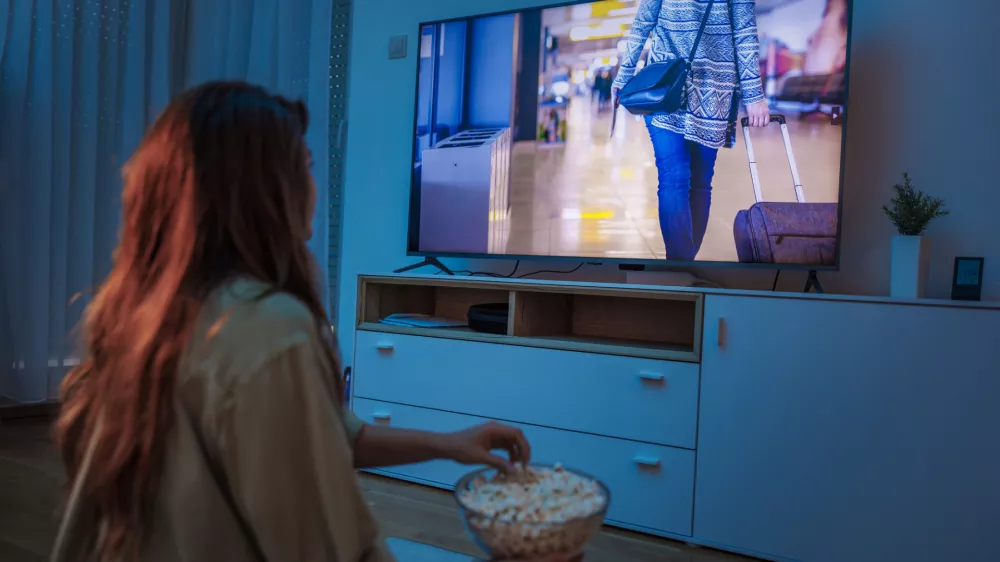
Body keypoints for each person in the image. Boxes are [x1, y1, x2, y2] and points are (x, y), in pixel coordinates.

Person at [52, 81, 577, 562]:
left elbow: (328, 437)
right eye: (303, 166)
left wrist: (449, 443)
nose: (312, 187)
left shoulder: (143, 314)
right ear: (261, 191)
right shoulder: (269, 330)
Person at [612, 0, 770, 261]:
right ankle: (681, 268)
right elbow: (743, 32)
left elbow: (644, 22)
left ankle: (682, 267)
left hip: (684, 86)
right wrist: (624, 75)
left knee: (688, 179)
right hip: (689, 88)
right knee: (686, 178)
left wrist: (753, 95)